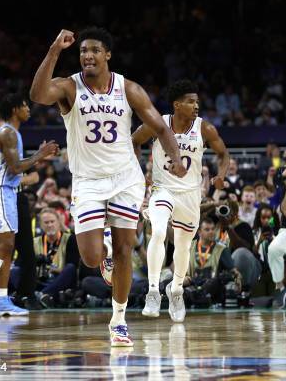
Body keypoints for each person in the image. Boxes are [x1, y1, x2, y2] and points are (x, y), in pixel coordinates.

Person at [30, 27, 184, 346]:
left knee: (127, 250)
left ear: (107, 55)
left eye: (95, 50)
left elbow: (159, 125)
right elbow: (37, 95)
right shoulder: (69, 87)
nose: (88, 55)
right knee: (89, 257)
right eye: (84, 50)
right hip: (88, 181)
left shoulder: (128, 88)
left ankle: (118, 319)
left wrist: (177, 158)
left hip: (125, 178)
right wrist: (54, 50)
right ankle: (106, 246)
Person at [132, 79, 230, 322]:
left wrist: (221, 175)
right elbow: (134, 141)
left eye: (197, 102)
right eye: (190, 102)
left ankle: (176, 289)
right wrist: (137, 173)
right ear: (177, 105)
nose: (196, 106)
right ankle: (153, 290)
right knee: (157, 233)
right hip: (163, 189)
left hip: (189, 194)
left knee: (184, 246)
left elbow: (223, 154)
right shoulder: (158, 123)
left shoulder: (204, 128)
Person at [0, 94, 58, 317]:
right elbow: (16, 168)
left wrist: (38, 156)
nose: (29, 109)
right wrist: (40, 154)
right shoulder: (8, 133)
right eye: (25, 105)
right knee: (5, 244)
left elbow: (15, 169)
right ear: (15, 109)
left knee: (8, 246)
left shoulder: (13, 133)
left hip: (7, 191)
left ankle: (1, 299)